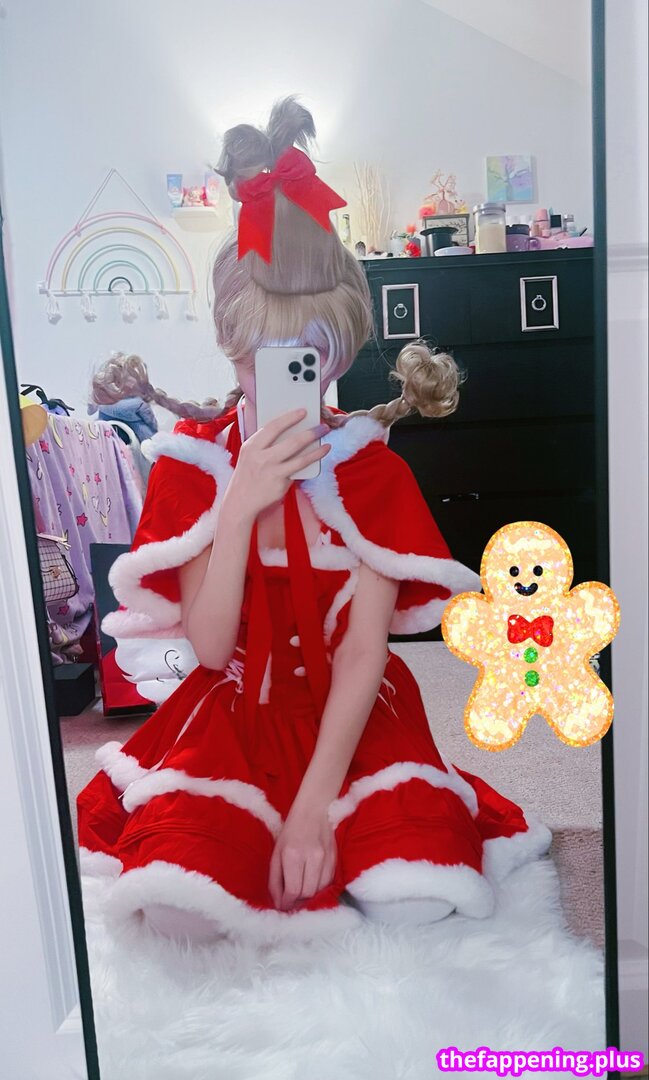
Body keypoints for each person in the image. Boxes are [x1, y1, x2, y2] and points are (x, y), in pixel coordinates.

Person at [77, 97, 551, 944]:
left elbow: (364, 652)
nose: (287, 381)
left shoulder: (369, 470)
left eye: (308, 359)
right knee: (180, 906)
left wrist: (309, 811)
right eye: (264, 359)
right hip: (232, 707)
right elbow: (211, 650)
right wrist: (240, 504)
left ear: (336, 353)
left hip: (355, 711)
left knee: (417, 896)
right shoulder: (195, 465)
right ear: (231, 347)